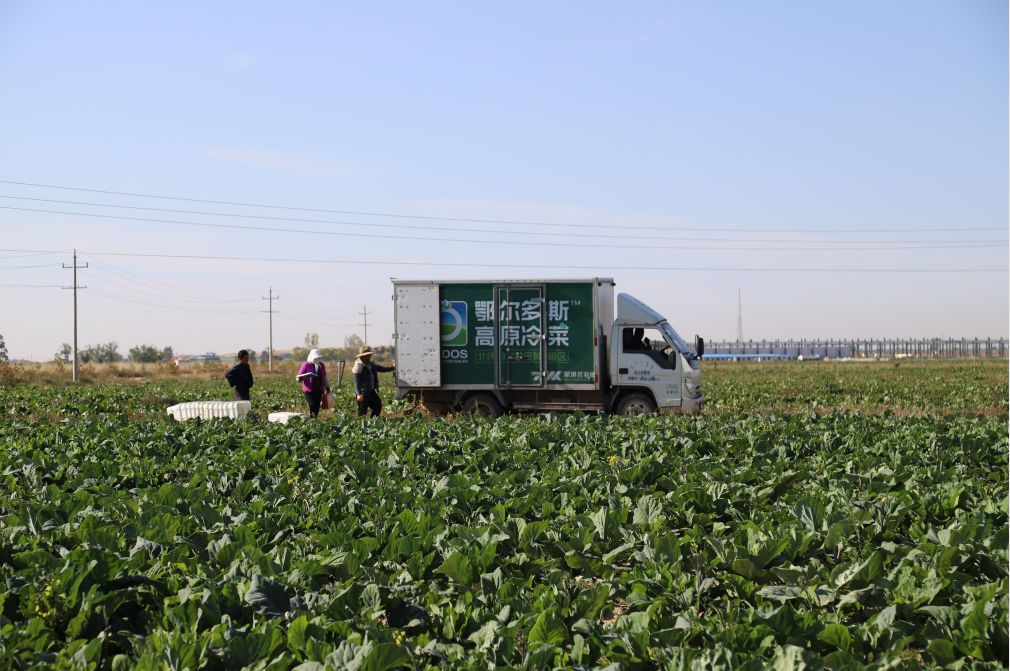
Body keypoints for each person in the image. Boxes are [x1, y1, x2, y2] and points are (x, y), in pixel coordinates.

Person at [352, 345, 396, 417]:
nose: (369, 356)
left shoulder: (370, 364)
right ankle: (359, 426)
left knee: (377, 406)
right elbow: (357, 382)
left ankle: (373, 423)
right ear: (362, 356)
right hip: (363, 393)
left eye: (370, 354)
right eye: (367, 355)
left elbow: (380, 368)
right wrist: (359, 394)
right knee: (362, 412)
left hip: (371, 391)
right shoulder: (358, 367)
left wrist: (392, 368)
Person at [296, 348, 330, 418]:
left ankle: (313, 421)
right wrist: (300, 379)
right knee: (312, 404)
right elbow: (299, 376)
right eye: (316, 358)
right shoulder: (306, 364)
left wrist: (327, 388)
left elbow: (324, 377)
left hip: (319, 389)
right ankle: (311, 420)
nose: (317, 359)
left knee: (317, 407)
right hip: (309, 390)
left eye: (318, 358)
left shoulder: (322, 365)